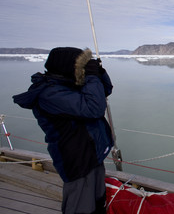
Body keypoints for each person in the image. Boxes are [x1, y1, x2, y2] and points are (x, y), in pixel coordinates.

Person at [13, 47, 114, 214]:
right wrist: (90, 76)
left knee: (98, 202)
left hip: (92, 153)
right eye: (82, 65)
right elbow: (95, 108)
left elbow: (105, 90)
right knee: (81, 206)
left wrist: (98, 73)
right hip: (77, 158)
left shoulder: (69, 85)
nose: (83, 70)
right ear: (67, 66)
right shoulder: (50, 93)